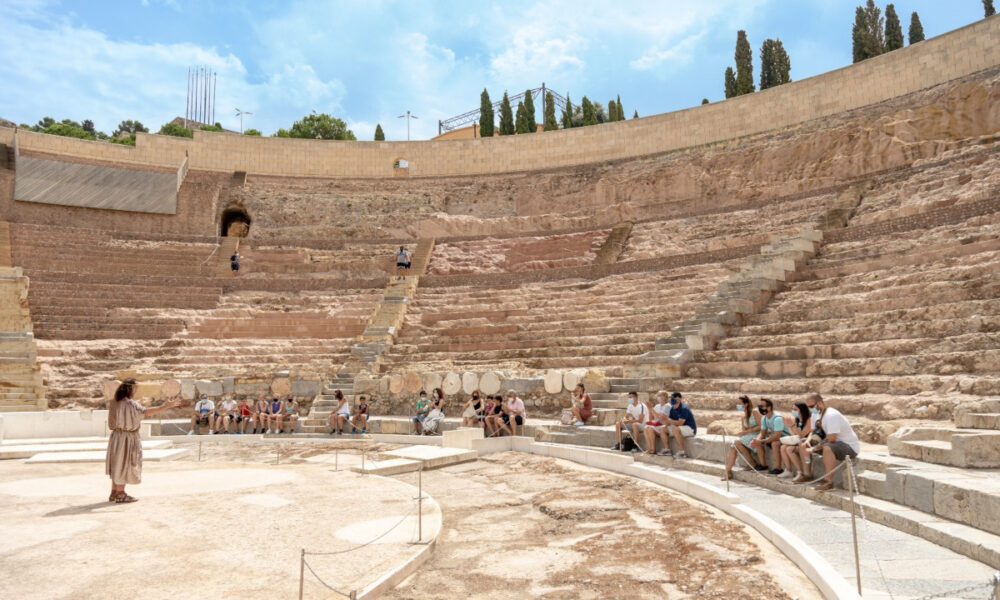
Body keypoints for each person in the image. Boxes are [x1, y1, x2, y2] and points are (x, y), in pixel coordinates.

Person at [106, 378, 184, 503]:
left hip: (116, 437)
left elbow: (129, 409)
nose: (136, 390)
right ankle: (121, 493)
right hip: (127, 438)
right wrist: (166, 406)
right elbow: (145, 412)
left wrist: (140, 402)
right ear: (130, 388)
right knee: (125, 464)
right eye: (135, 388)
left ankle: (114, 492)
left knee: (117, 464)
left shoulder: (115, 402)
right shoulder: (130, 404)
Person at [796, 393, 860, 490]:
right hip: (833, 443)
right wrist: (808, 441)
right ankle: (807, 475)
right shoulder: (815, 414)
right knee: (803, 442)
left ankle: (828, 482)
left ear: (820, 403)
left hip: (849, 447)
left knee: (828, 447)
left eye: (811, 406)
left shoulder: (831, 415)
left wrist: (813, 449)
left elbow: (831, 439)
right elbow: (812, 431)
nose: (810, 409)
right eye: (808, 407)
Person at [723, 396, 762, 480]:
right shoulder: (743, 417)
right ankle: (728, 471)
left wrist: (746, 432)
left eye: (740, 403)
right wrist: (742, 434)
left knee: (736, 443)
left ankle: (751, 462)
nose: (738, 405)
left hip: (758, 435)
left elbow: (761, 426)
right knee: (734, 446)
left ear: (746, 404)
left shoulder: (754, 412)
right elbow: (744, 431)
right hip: (749, 436)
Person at [749, 398, 791, 475]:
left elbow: (777, 436)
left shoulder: (777, 418)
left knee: (774, 443)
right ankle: (763, 466)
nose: (760, 408)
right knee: (758, 443)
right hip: (778, 437)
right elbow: (762, 433)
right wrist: (756, 440)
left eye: (762, 406)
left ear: (769, 407)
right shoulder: (764, 418)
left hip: (786, 438)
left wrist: (762, 441)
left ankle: (778, 468)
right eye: (759, 406)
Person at [778, 402, 813, 480]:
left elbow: (802, 435)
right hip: (797, 442)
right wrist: (790, 426)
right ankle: (788, 470)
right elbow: (793, 434)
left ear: (802, 410)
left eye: (795, 409)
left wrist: (792, 426)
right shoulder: (796, 419)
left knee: (789, 449)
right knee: (783, 447)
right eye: (792, 409)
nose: (793, 411)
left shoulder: (808, 420)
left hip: (806, 443)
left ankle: (800, 472)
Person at [661, 392, 696, 458]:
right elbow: (669, 422)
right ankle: (667, 449)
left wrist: (669, 420)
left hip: (690, 429)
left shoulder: (684, 408)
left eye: (673, 398)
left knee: (675, 429)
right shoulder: (672, 409)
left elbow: (680, 423)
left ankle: (682, 452)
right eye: (671, 398)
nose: (671, 400)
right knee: (663, 428)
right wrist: (665, 420)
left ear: (679, 399)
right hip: (680, 428)